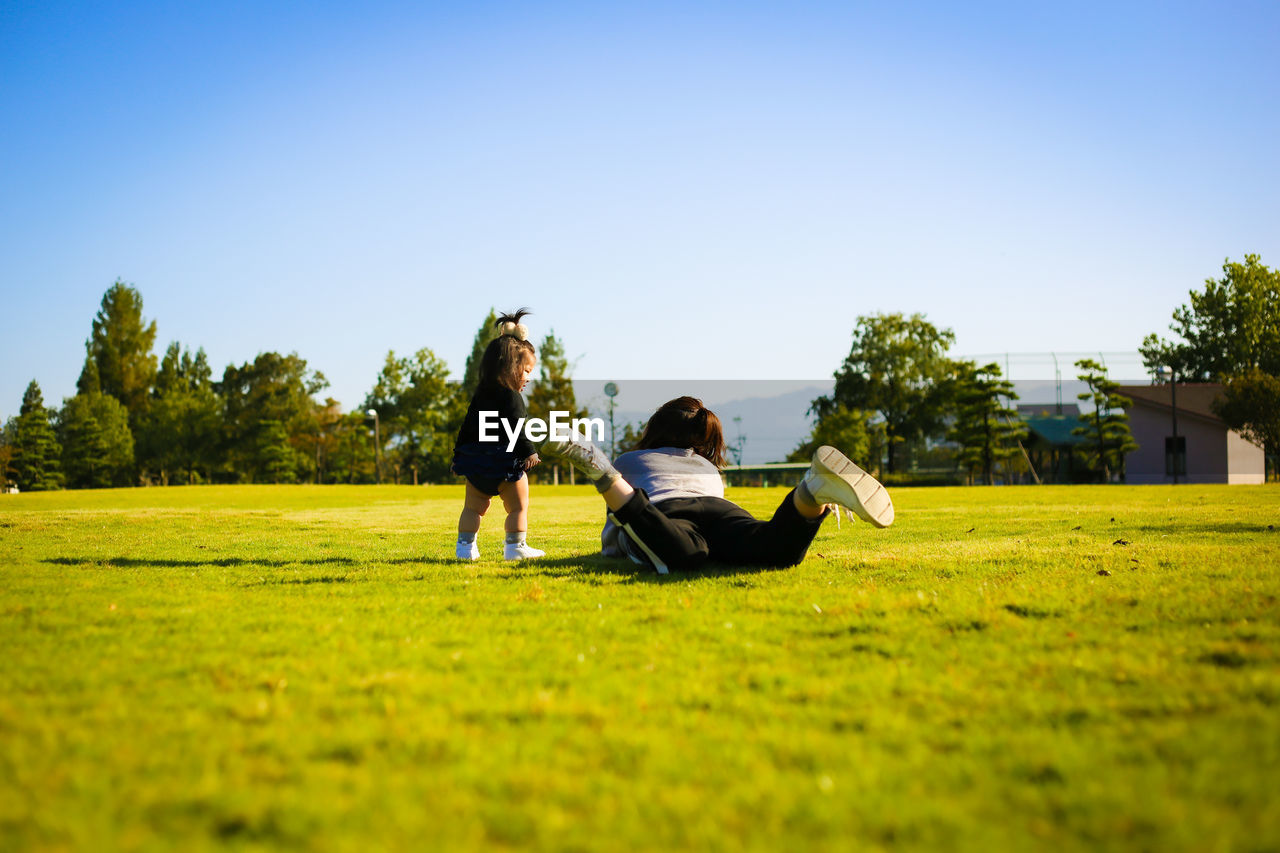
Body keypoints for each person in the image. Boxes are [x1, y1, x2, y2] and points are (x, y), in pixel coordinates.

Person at [543, 396, 893, 573]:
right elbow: (710, 516)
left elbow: (617, 533)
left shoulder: (630, 462)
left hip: (664, 510)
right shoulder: (709, 469)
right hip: (722, 510)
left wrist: (616, 545)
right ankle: (809, 493)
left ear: (654, 430)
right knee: (774, 550)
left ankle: (597, 468)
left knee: (688, 555)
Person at [451, 310, 545, 561]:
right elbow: (518, 426)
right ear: (511, 367)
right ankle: (515, 546)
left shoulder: (480, 395)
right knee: (517, 506)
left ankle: (465, 547)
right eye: (526, 371)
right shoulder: (512, 397)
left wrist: (457, 457)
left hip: (476, 463)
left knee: (473, 507)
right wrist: (530, 451)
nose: (528, 378)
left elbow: (467, 427)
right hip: (504, 463)